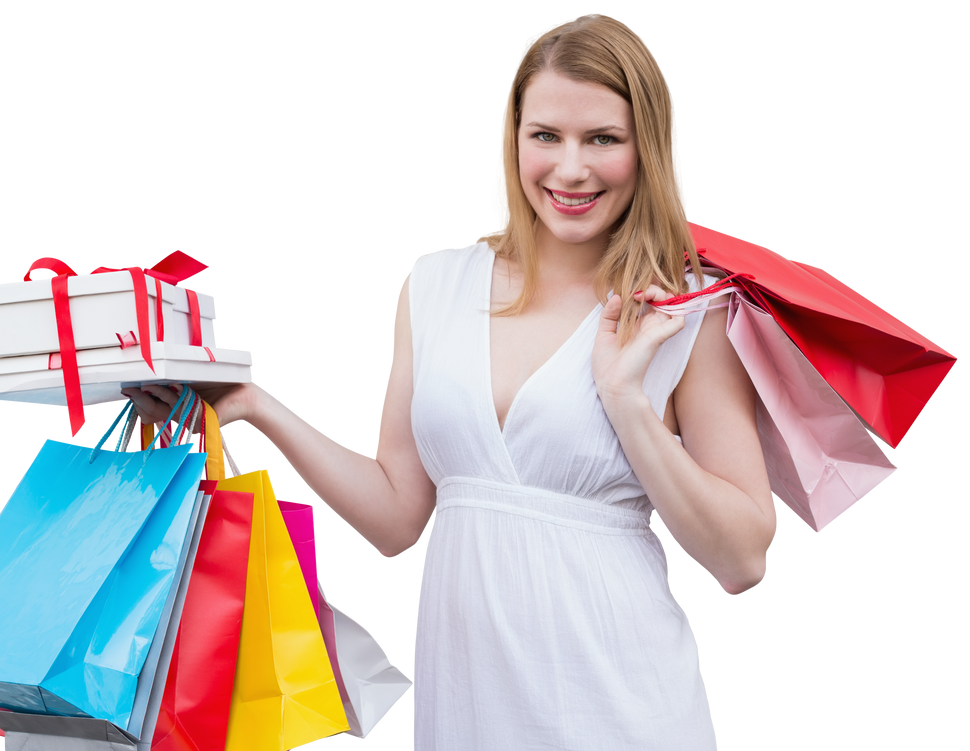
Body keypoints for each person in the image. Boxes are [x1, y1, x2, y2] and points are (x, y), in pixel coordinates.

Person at [123, 11, 778, 749]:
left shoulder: (686, 308)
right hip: (469, 708)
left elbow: (743, 561)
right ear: (510, 139)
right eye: (545, 136)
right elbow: (398, 517)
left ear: (647, 147)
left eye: (603, 139)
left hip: (624, 708)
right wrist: (254, 406)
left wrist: (626, 399)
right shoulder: (434, 283)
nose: (570, 169)